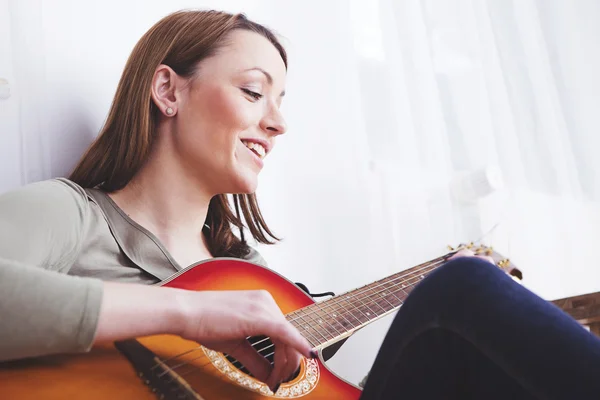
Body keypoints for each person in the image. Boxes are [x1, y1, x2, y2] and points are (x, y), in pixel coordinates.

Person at [0, 9, 598, 399]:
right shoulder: (71, 215)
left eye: (281, 101)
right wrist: (190, 315)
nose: (278, 122)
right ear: (167, 91)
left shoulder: (260, 280)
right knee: (463, 288)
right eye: (254, 91)